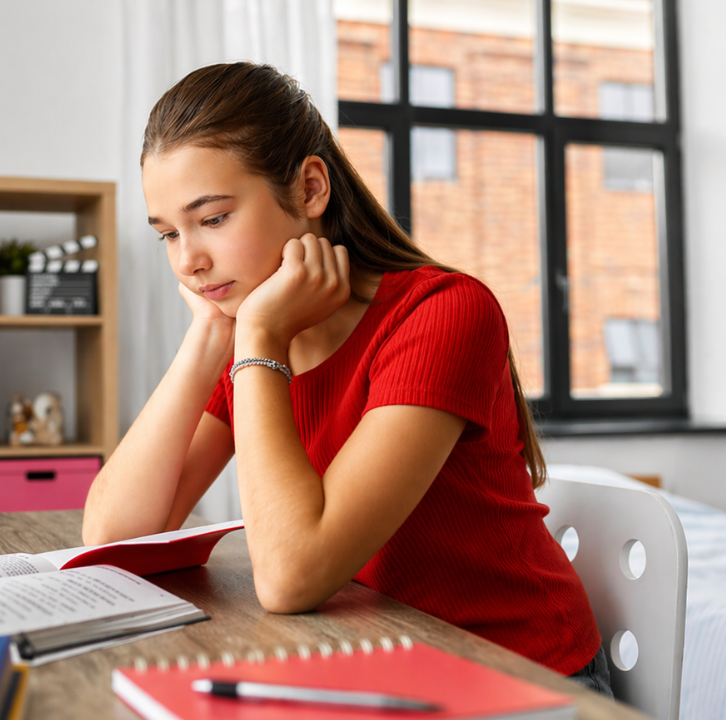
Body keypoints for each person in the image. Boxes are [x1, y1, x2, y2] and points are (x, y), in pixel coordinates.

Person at [82, 62, 611, 694]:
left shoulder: (442, 313)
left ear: (309, 189)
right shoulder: (254, 333)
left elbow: (289, 577)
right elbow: (113, 539)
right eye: (169, 233)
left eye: (214, 219)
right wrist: (209, 337)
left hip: (518, 676)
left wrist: (257, 339)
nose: (189, 261)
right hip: (375, 659)